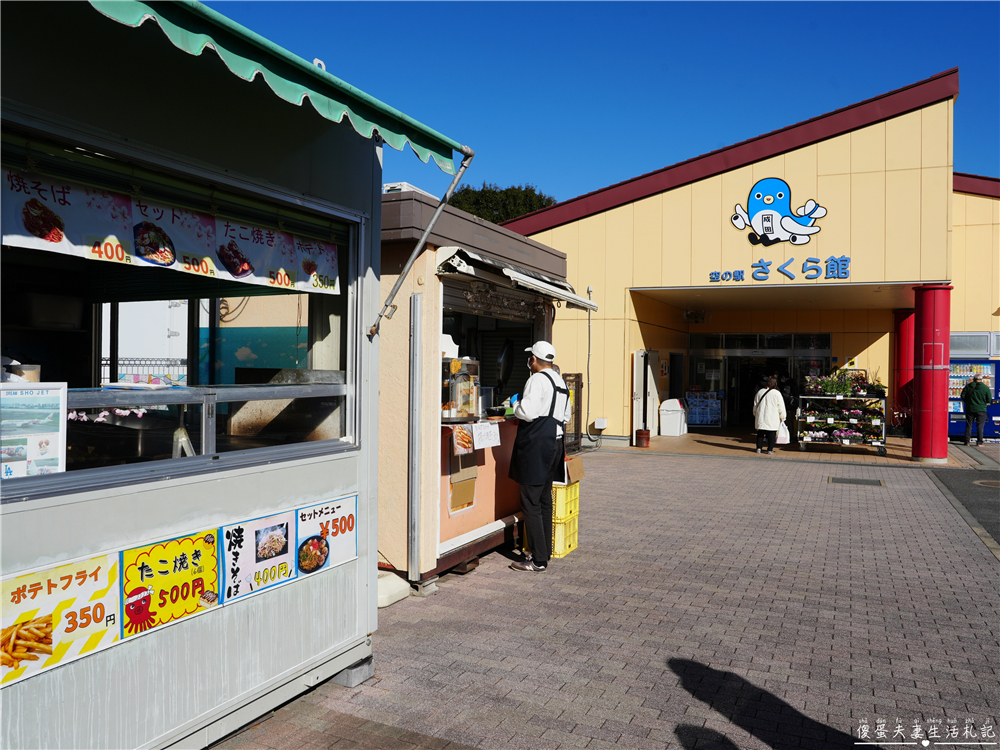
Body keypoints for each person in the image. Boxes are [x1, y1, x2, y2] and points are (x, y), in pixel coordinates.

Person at [508, 341, 572, 572]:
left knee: (531, 501)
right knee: (544, 499)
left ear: (533, 359)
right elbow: (565, 415)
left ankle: (537, 561)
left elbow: (528, 412)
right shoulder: (560, 381)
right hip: (555, 443)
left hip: (536, 445)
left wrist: (516, 405)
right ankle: (544, 552)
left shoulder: (536, 380)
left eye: (529, 358)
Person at [753, 376, 787, 455]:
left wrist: (755, 414)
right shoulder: (777, 393)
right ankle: (770, 449)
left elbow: (755, 405)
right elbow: (781, 407)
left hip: (761, 416)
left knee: (760, 433)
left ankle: (758, 448)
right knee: (771, 434)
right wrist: (783, 417)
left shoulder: (760, 392)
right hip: (772, 417)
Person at [961, 373, 992, 446]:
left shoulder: (968, 386)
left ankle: (967, 441)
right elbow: (989, 399)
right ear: (981, 379)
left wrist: (968, 402)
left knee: (969, 425)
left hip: (970, 408)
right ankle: (979, 442)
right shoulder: (985, 388)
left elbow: (963, 396)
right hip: (981, 409)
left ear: (974, 379)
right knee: (980, 425)